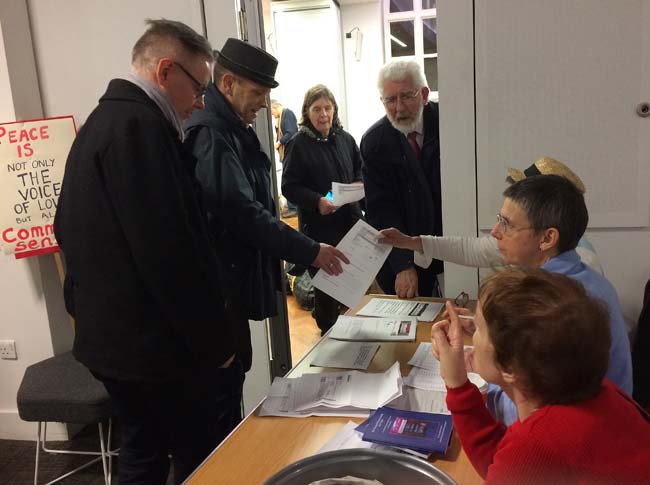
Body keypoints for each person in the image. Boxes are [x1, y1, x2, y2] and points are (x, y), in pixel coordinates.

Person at [54, 20, 236, 484]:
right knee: (187, 453)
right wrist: (216, 343)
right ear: (165, 71)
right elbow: (169, 255)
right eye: (198, 86)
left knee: (143, 450)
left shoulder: (104, 122)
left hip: (117, 342)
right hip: (151, 349)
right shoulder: (139, 129)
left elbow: (65, 230)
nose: (201, 102)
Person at [382, 174, 633, 425]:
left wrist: (474, 367)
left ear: (547, 238)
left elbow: (518, 416)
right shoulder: (574, 277)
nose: (495, 232)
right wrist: (489, 333)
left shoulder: (555, 306)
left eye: (507, 224)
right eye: (499, 220)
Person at [184, 39, 348, 381]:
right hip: (220, 290)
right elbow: (242, 212)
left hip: (230, 285)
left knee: (238, 367)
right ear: (228, 84)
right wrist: (310, 251)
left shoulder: (231, 129)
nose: (264, 103)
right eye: (258, 92)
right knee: (228, 381)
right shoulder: (213, 134)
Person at [432, 269, 650, 483]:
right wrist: (459, 382)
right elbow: (503, 464)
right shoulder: (591, 388)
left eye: (478, 328)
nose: (472, 335)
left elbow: (514, 464)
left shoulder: (539, 444)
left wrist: (456, 384)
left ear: (511, 368)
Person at [380, 156, 603, 274]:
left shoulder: (578, 273)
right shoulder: (539, 248)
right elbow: (471, 249)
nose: (496, 232)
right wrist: (411, 242)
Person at [281, 84, 363, 334]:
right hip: (319, 231)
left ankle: (347, 332)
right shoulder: (298, 143)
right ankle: (327, 333)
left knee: (349, 285)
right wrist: (318, 201)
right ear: (307, 112)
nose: (323, 114)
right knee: (327, 289)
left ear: (334, 109)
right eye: (317, 109)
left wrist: (359, 183)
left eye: (327, 108)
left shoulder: (345, 139)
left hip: (349, 226)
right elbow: (289, 187)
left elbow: (360, 169)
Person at [361, 59, 443, 299]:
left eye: (407, 96)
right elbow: (380, 209)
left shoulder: (450, 124)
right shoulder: (375, 142)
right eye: (390, 99)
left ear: (424, 94)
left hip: (451, 244)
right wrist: (403, 264)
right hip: (404, 250)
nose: (398, 108)